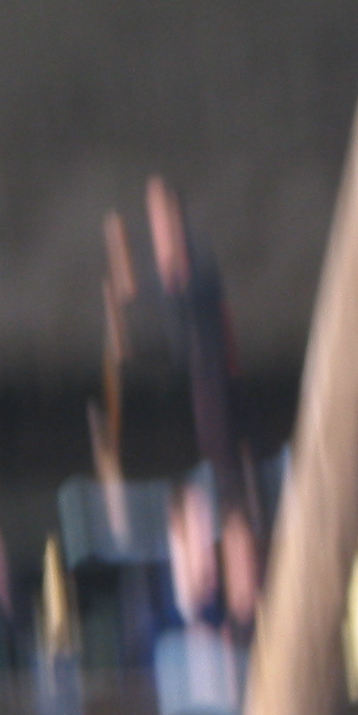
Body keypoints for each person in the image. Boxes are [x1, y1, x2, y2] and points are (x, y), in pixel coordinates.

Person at [145, 177, 251, 540]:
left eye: (166, 221)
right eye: (156, 223)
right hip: (185, 434)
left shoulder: (203, 280)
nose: (163, 233)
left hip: (220, 415)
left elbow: (225, 343)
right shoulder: (157, 297)